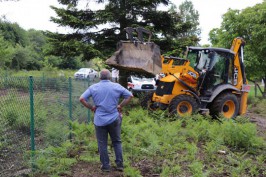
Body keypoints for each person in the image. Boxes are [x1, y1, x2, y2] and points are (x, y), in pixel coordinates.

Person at [79, 69, 133, 172]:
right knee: (117, 142)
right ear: (109, 77)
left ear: (99, 77)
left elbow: (81, 99)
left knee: (102, 143)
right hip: (114, 119)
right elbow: (130, 96)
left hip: (99, 120)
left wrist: (91, 107)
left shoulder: (93, 87)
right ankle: (120, 165)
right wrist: (120, 106)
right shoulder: (116, 86)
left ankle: (106, 167)